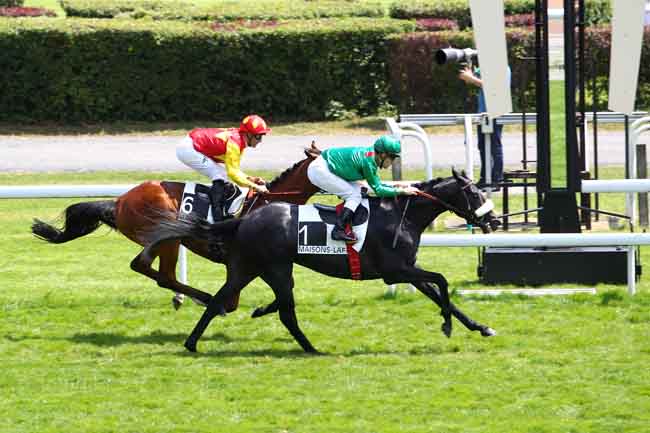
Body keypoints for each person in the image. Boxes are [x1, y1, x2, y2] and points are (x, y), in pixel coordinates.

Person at [307, 135, 420, 243]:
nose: (392, 162)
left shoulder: (371, 155)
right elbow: (378, 190)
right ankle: (338, 230)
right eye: (392, 157)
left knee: (360, 190)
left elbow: (376, 185)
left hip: (324, 166)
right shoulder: (369, 162)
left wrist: (395, 188)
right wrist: (402, 191)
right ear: (383, 154)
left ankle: (349, 222)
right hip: (320, 171)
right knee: (354, 196)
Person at [176, 114, 270, 221]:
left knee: (222, 174)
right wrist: (255, 187)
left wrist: (251, 179)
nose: (260, 140)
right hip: (188, 149)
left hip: (193, 143)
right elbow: (233, 174)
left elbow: (234, 170)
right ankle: (217, 216)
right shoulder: (235, 143)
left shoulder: (240, 141)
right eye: (258, 136)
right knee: (219, 174)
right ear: (248, 134)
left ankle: (216, 208)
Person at [459, 63, 511, 191]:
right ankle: (485, 179)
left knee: (494, 145)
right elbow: (470, 79)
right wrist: (469, 69)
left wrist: (471, 78)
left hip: (496, 110)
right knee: (482, 146)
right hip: (483, 112)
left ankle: (496, 180)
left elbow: (494, 87)